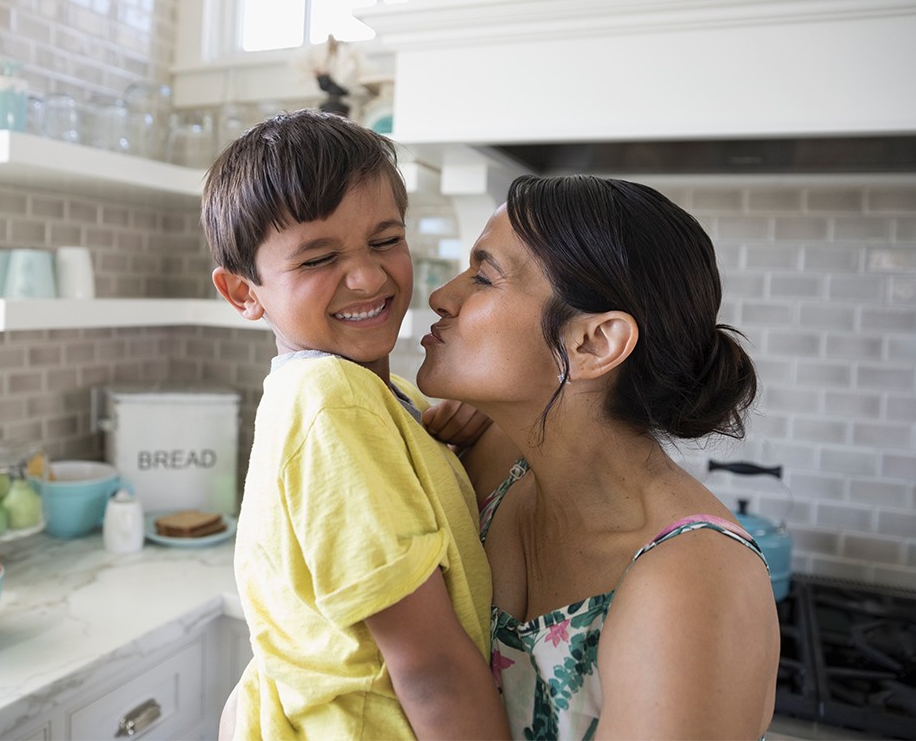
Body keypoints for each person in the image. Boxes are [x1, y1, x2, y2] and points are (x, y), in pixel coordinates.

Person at [418, 174, 780, 740]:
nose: (443, 296)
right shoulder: (492, 462)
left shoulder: (691, 584)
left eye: (484, 277)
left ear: (594, 343)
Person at [202, 109, 511, 740]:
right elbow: (430, 671)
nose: (369, 276)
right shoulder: (330, 399)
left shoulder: (372, 393)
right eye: (317, 258)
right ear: (243, 293)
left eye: (384, 241)